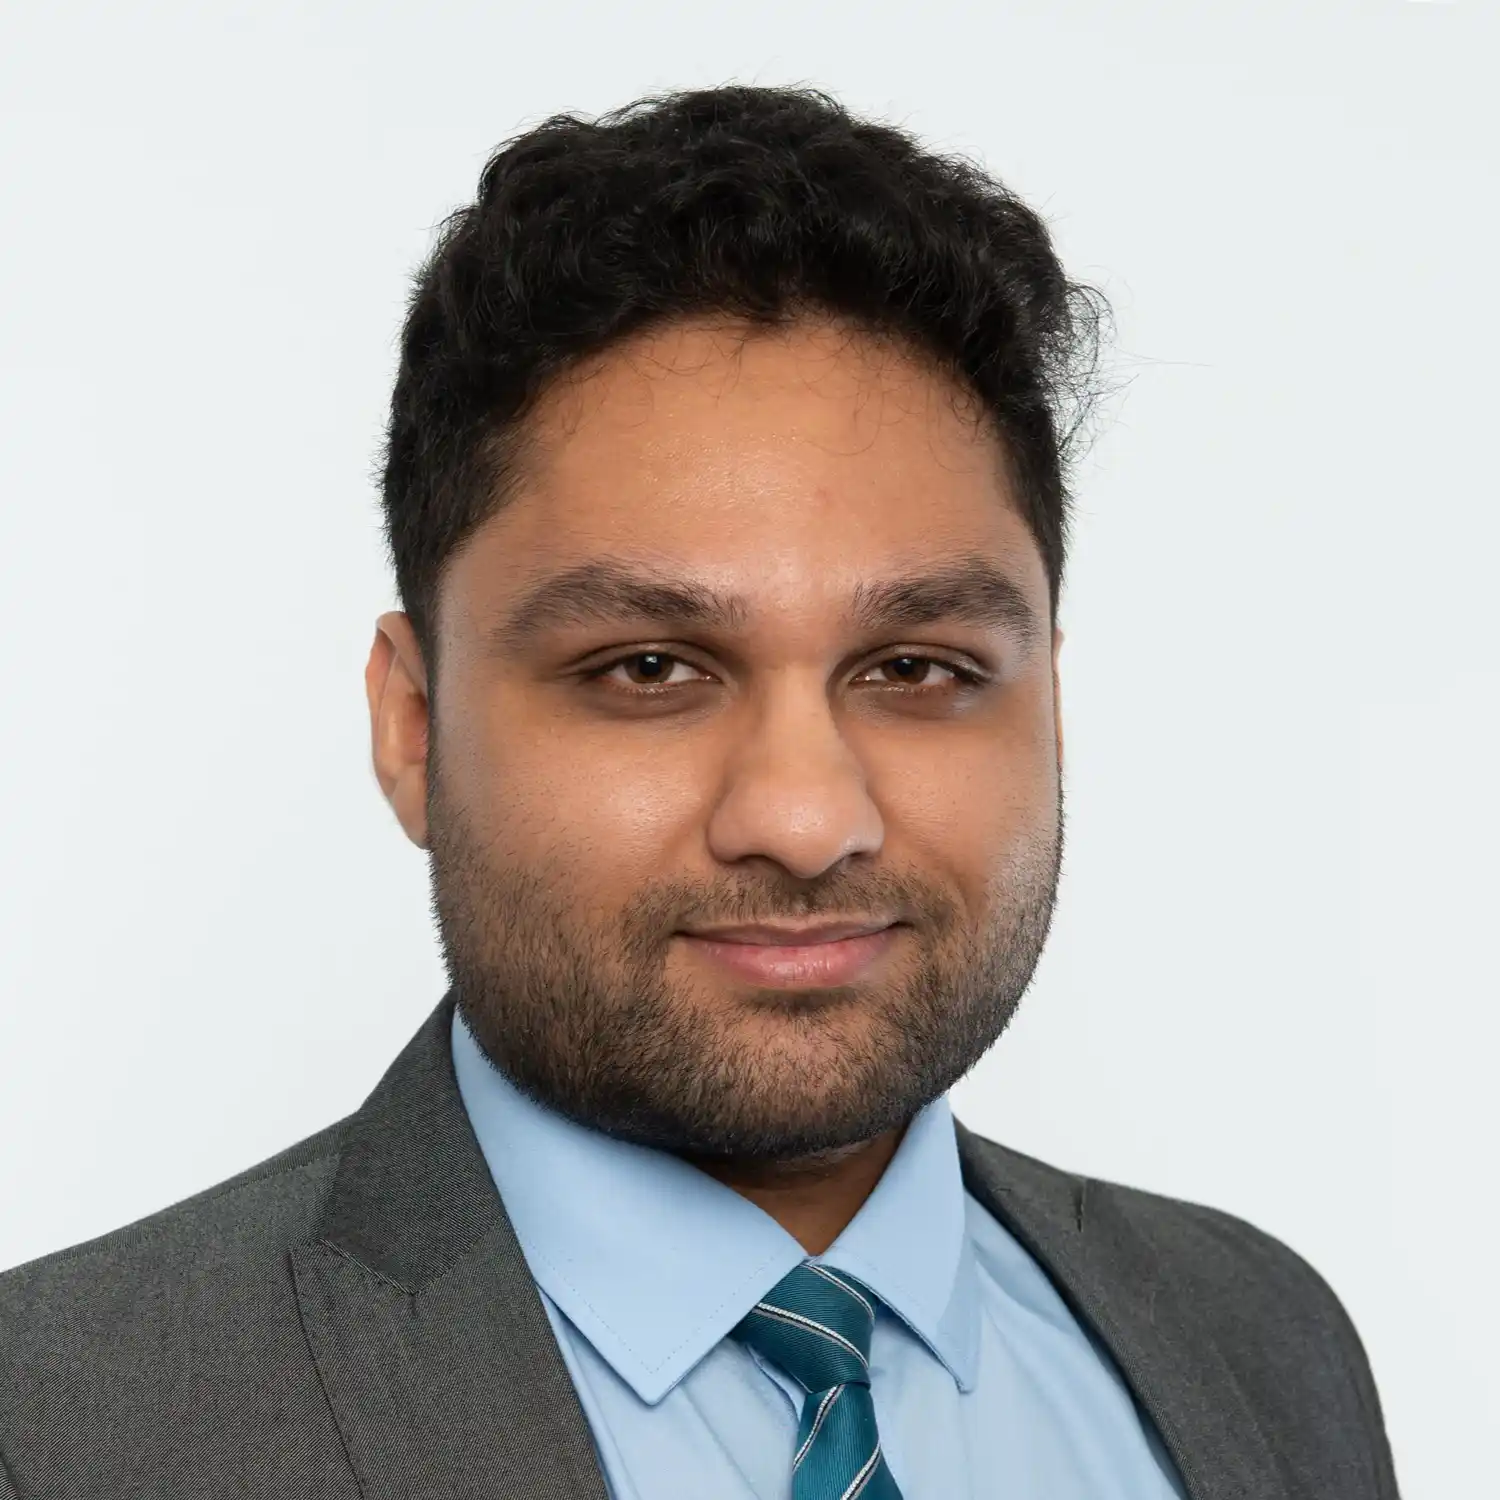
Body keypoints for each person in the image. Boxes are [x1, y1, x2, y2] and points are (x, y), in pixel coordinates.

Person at [0, 85, 1399, 1499]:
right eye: (651, 666)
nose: (801, 819)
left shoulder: (1261, 1342)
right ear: (415, 728)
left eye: (917, 666)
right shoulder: (60, 1425)